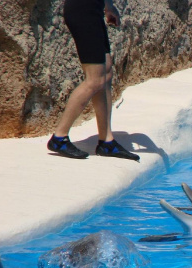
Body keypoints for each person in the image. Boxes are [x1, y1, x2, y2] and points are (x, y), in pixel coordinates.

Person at [47, 0, 139, 161]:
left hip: (94, 11)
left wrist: (108, 6)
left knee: (107, 70)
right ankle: (59, 138)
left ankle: (106, 141)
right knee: (95, 80)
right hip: (83, 11)